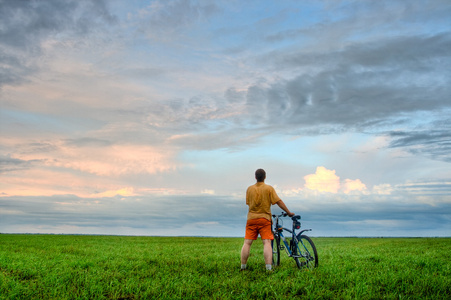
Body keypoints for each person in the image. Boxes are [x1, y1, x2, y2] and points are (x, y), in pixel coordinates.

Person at [240, 168, 294, 271]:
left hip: (251, 219)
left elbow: (248, 203)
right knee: (267, 243)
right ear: (265, 177)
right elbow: (278, 201)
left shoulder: (249, 189)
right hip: (264, 219)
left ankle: (243, 267)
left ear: (255, 177)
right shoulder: (269, 188)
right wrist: (288, 212)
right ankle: (268, 268)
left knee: (247, 243)